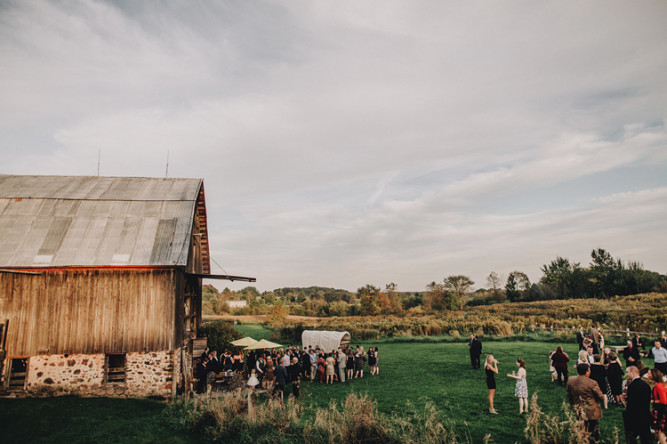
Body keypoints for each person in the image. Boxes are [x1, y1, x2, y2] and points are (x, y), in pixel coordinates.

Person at [567, 363, 605, 443]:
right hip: (591, 410)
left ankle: (582, 440)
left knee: (581, 427)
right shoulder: (592, 383)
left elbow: (569, 395)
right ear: (587, 371)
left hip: (578, 408)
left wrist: (572, 405)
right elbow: (600, 396)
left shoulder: (571, 380)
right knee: (593, 430)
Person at [624, 366, 652, 444]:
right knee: (646, 438)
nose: (627, 375)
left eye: (627, 372)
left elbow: (631, 404)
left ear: (633, 372)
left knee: (632, 438)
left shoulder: (632, 386)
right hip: (645, 414)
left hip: (635, 416)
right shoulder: (646, 385)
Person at [650, 369, 667, 444]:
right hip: (659, 410)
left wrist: (652, 401)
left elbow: (664, 401)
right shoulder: (659, 385)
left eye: (649, 373)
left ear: (654, 375)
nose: (647, 374)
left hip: (660, 411)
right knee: (657, 432)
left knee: (660, 432)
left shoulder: (658, 386)